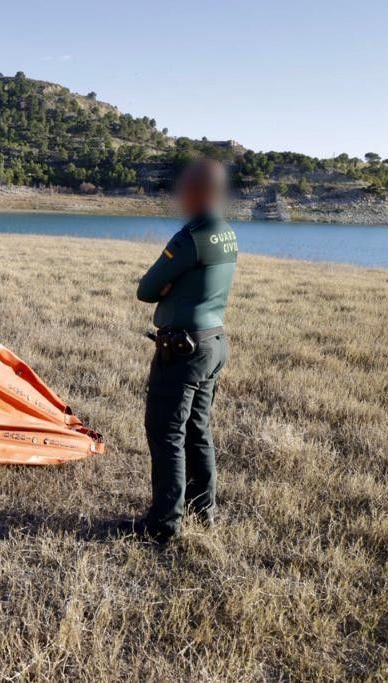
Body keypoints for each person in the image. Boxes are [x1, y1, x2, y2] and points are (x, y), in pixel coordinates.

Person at [128, 159, 238, 543]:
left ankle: (163, 524)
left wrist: (167, 288)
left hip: (183, 348)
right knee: (197, 429)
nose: (180, 195)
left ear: (200, 191)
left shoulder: (191, 236)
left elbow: (146, 289)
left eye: (186, 187)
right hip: (214, 343)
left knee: (166, 431)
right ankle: (202, 509)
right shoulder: (226, 232)